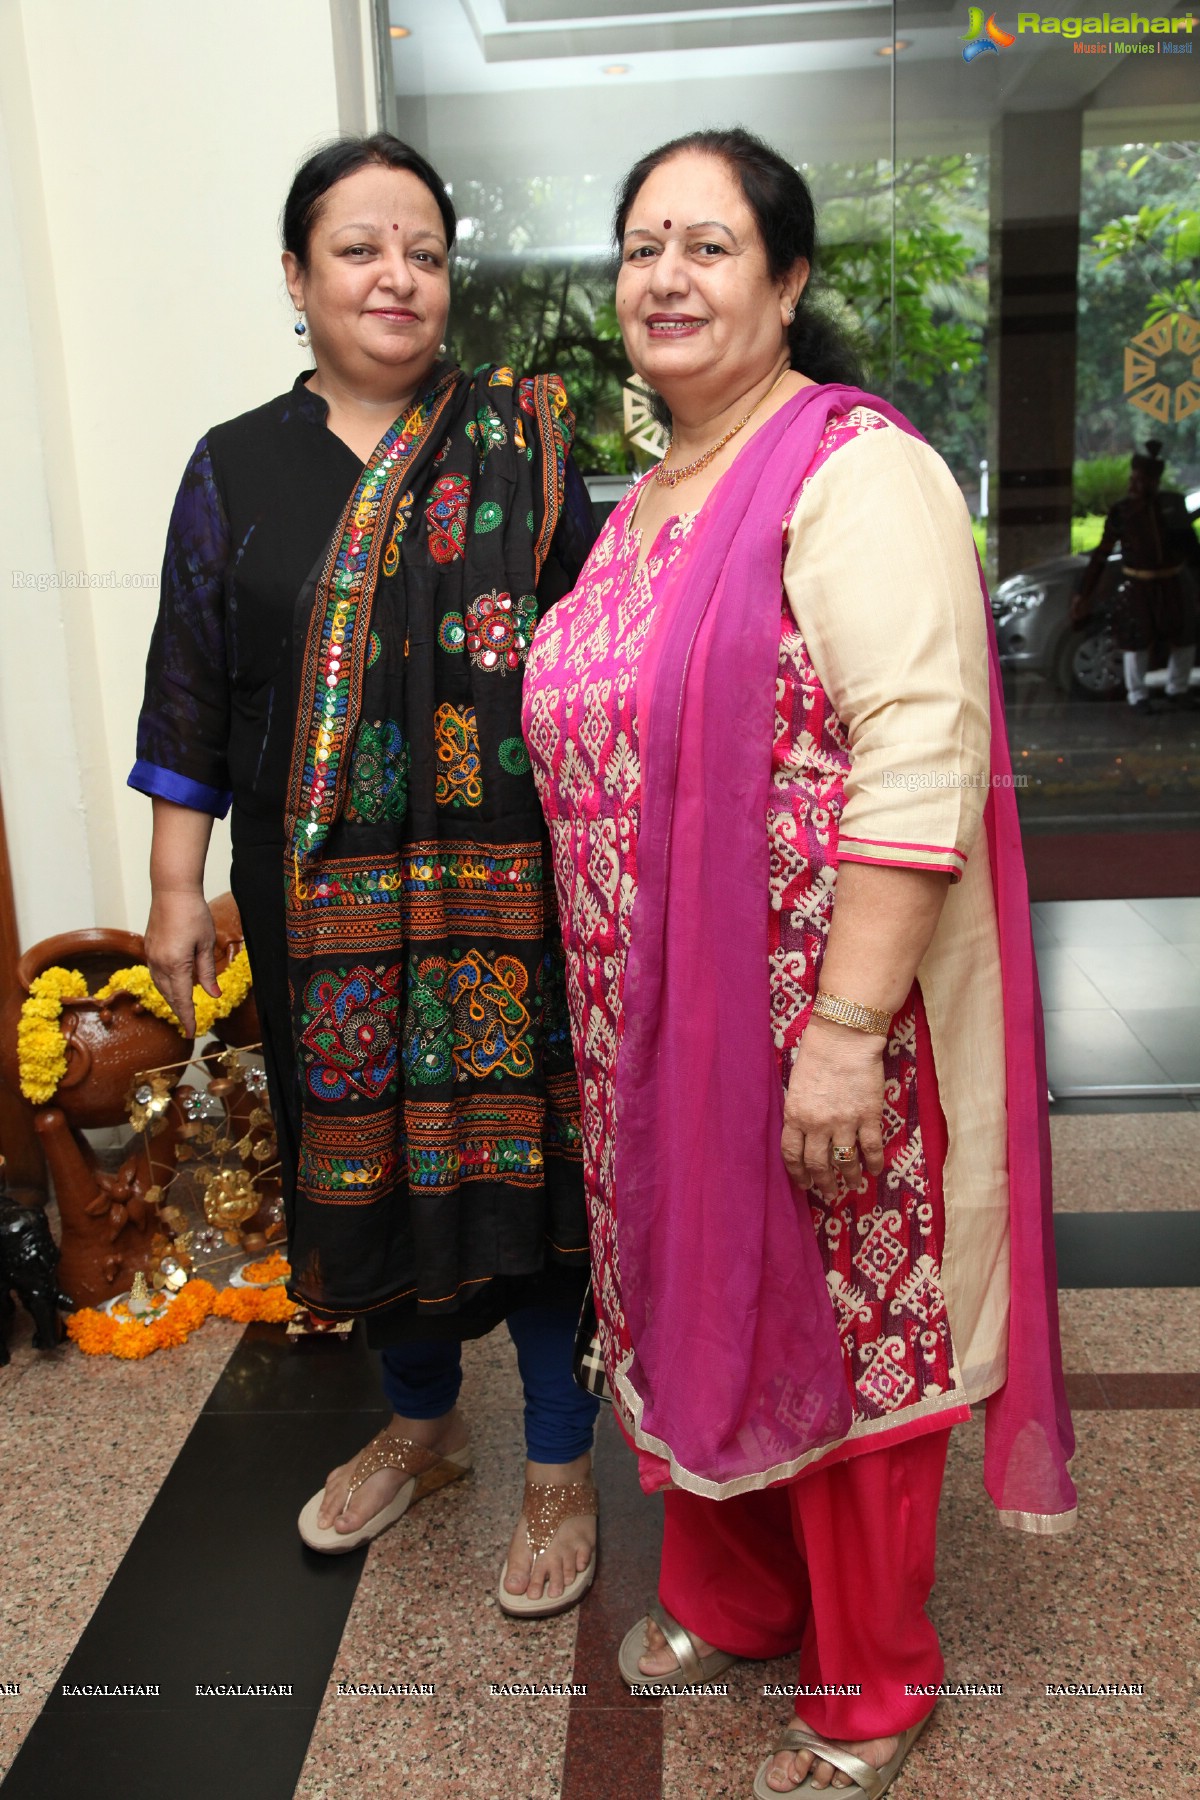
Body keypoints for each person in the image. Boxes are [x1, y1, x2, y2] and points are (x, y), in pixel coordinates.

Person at [523, 128, 1076, 1795]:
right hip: (652, 1024)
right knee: (698, 1302)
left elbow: (919, 750)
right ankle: (740, 1596)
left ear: (790, 279)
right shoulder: (641, 508)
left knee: (841, 1332)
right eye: (640, 247)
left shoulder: (852, 469)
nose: (666, 277)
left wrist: (843, 1031)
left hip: (822, 1019)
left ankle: (874, 1680)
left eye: (707, 245)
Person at [132, 133, 600, 1616]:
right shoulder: (235, 469)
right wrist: (168, 890)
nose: (398, 277)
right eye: (359, 248)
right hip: (318, 909)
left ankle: (559, 1464)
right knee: (363, 1169)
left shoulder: (528, 450)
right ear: (297, 275)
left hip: (507, 904)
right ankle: (421, 1430)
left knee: (527, 1167)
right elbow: (192, 693)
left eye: (425, 251)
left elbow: (607, 662)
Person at [1071, 439, 1200, 711]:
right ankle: (1137, 694)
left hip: (1171, 582)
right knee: (1136, 639)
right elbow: (1101, 554)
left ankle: (1177, 688)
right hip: (1138, 586)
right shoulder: (1123, 511)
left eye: (1143, 480)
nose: (1137, 485)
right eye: (1135, 479)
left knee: (1184, 635)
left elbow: (1191, 548)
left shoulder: (1172, 506)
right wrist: (1084, 591)